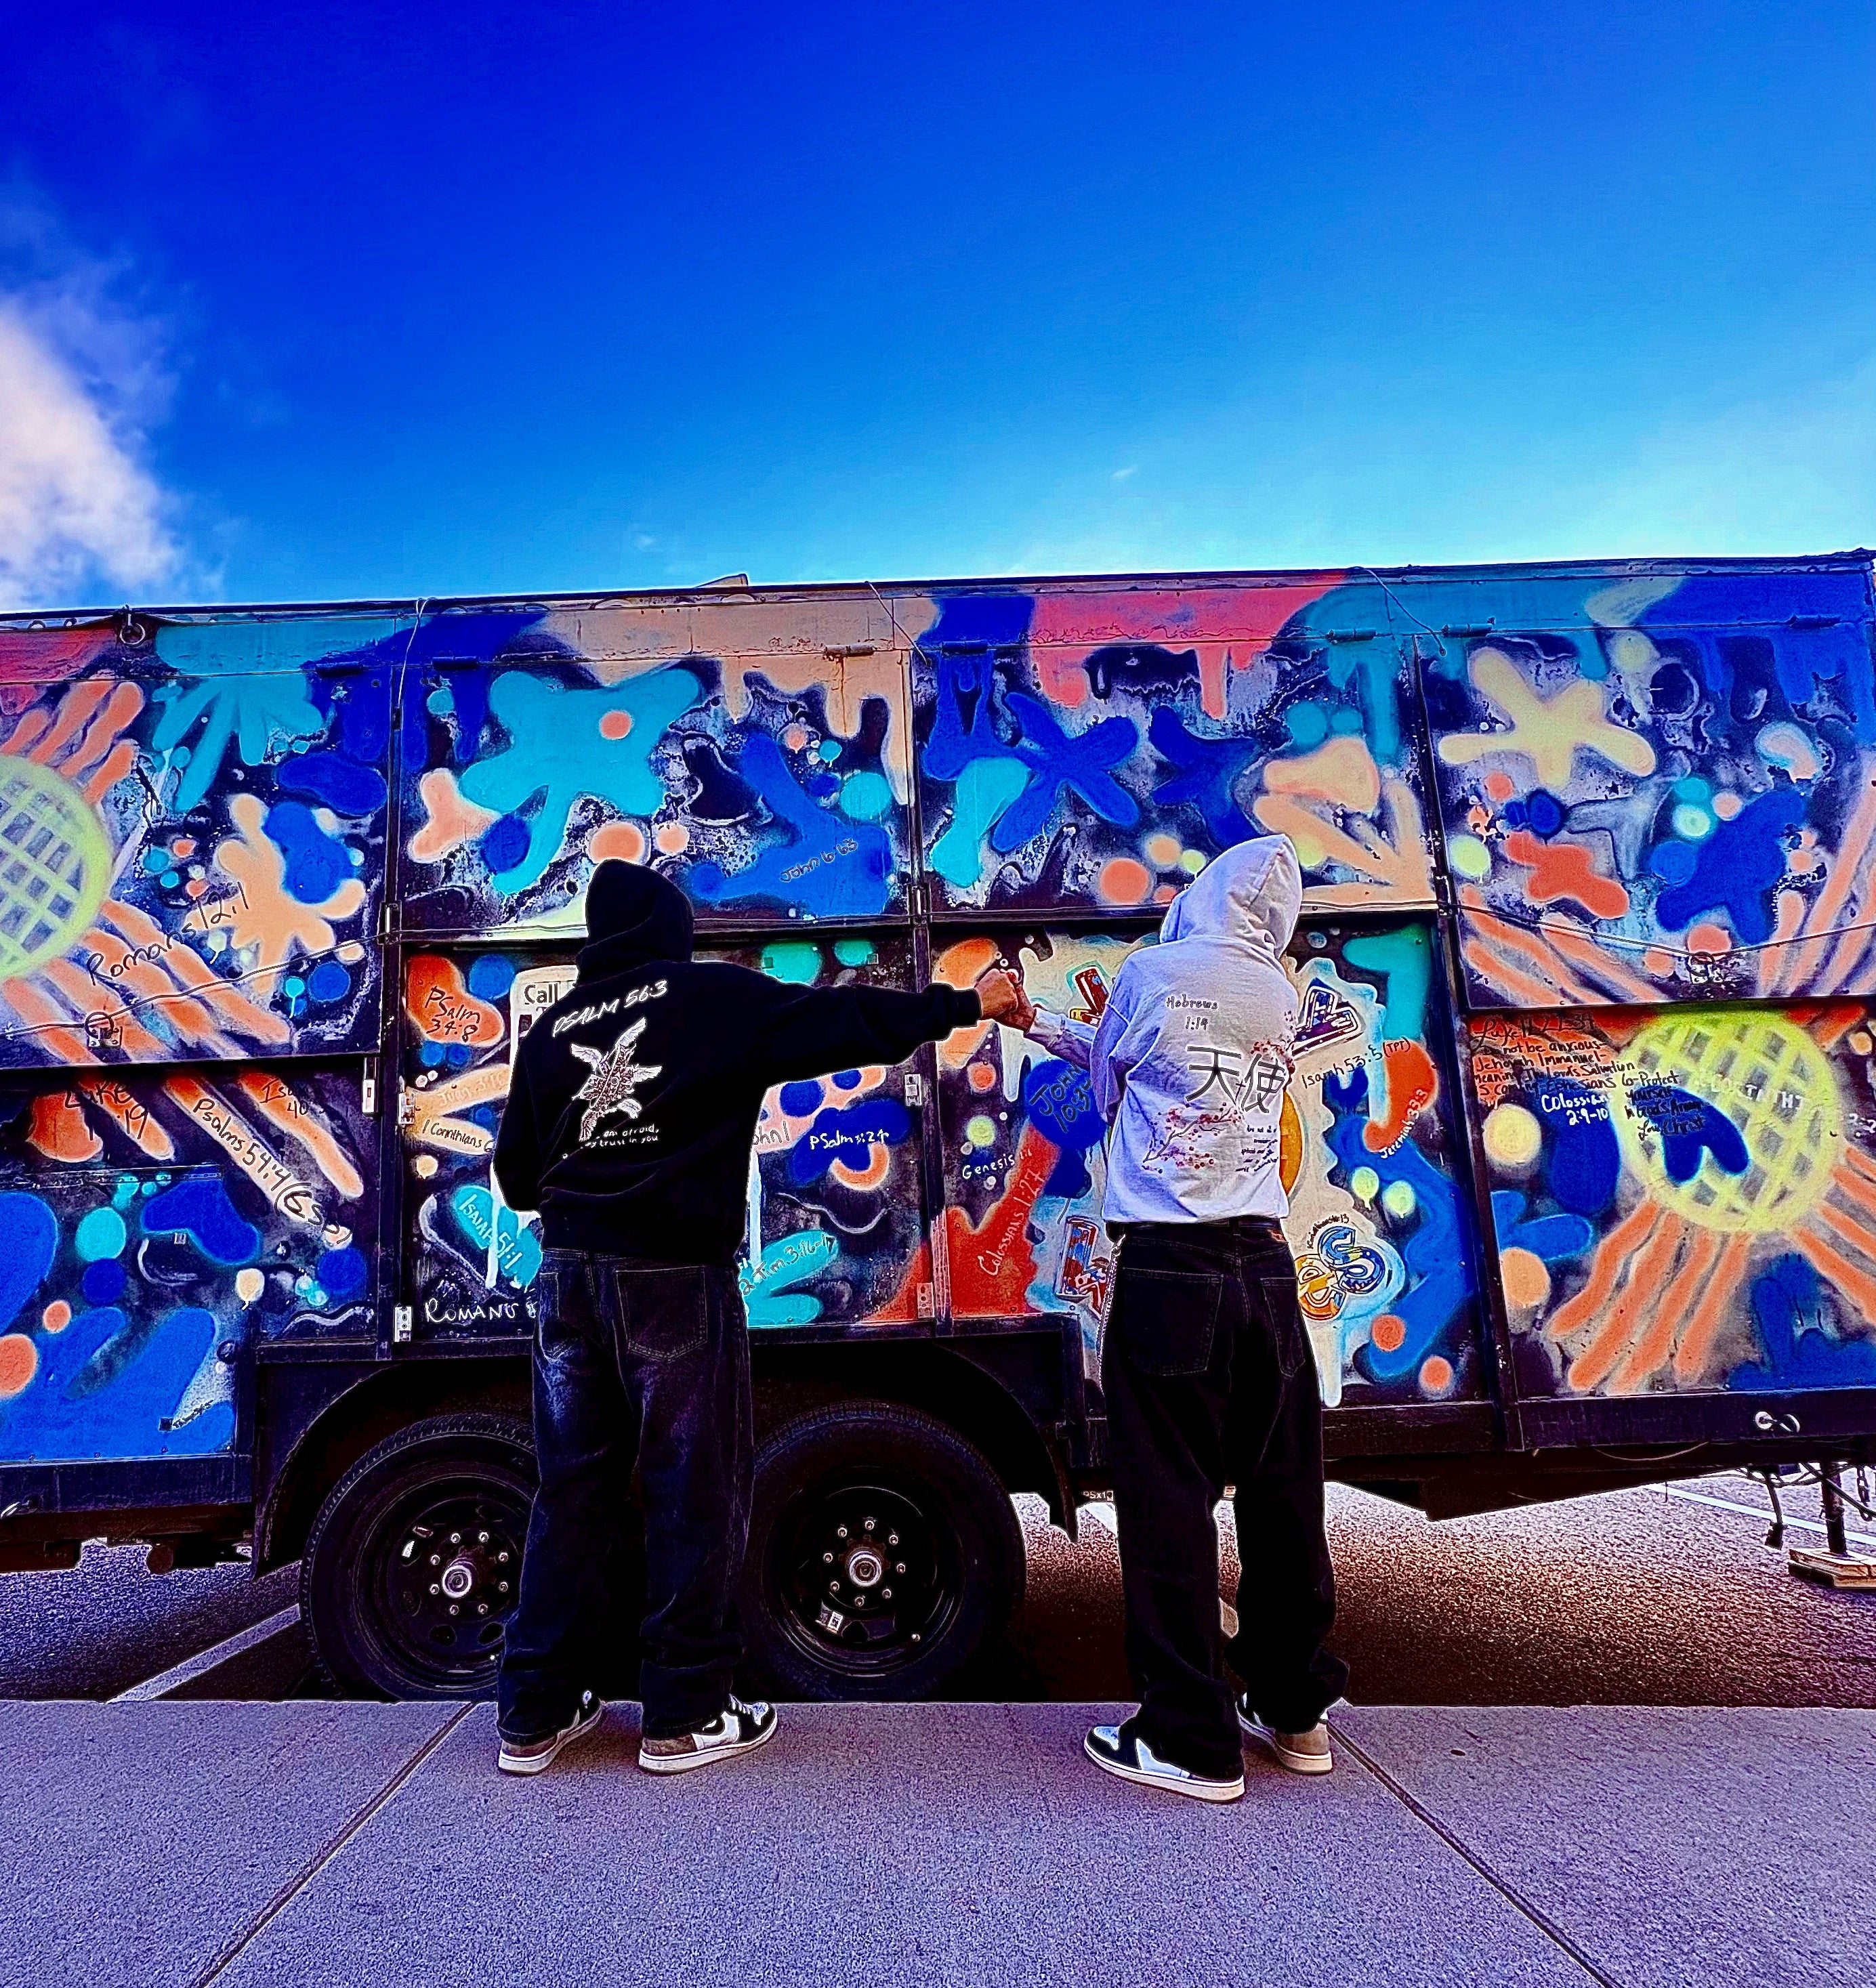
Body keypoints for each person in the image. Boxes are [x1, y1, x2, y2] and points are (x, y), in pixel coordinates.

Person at [491, 858, 1021, 1777]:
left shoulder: (552, 1032)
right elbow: (842, 1023)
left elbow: (515, 1176)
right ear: (669, 929)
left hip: (569, 1278)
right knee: (692, 1490)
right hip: (672, 1279)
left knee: (571, 1491)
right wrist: (965, 1004)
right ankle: (684, 1713)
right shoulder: (711, 999)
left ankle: (533, 1712)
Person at [984, 834, 1346, 1802]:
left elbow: (1112, 1085)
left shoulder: (1152, 973)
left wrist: (1039, 1023)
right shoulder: (1278, 990)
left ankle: (1188, 1737)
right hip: (1265, 1265)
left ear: (1203, 896)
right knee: (1283, 1492)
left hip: (1172, 1268)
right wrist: (1044, 1022)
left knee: (1168, 1501)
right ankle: (1294, 1708)